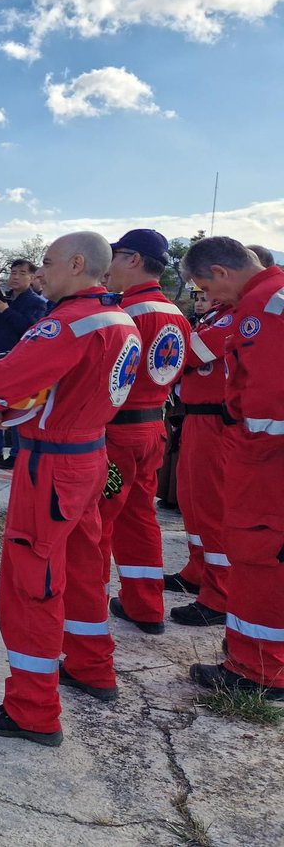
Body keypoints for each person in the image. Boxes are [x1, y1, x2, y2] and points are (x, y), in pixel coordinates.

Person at [0, 231, 142, 746]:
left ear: (76, 263)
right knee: (88, 565)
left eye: (45, 263)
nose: (40, 272)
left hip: (52, 463)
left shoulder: (68, 324)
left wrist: (2, 399)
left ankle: (32, 709)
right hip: (92, 456)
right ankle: (92, 666)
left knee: (32, 580)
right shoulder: (121, 317)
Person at [181, 237, 284, 700]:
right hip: (256, 451)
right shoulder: (269, 297)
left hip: (264, 460)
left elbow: (265, 403)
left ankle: (259, 669)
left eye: (205, 285)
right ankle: (252, 652)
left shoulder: (263, 308)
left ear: (222, 272)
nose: (208, 297)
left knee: (258, 551)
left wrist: (243, 448)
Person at [102, 229, 188, 634]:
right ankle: (146, 605)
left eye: (115, 256)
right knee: (140, 517)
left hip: (115, 436)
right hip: (153, 429)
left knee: (97, 521)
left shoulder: (125, 312)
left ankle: (86, 605)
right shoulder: (175, 313)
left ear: (133, 259)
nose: (109, 265)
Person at [166, 287, 231, 627]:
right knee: (191, 502)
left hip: (215, 421)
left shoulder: (232, 318)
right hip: (195, 417)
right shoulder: (214, 317)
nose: (204, 291)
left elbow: (187, 354)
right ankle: (197, 571)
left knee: (211, 506)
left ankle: (220, 595)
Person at [0, 260, 48, 468]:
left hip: (18, 362)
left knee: (16, 406)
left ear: (32, 278)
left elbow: (30, 330)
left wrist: (6, 310)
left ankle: (17, 453)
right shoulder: (5, 298)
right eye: (13, 272)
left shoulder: (36, 303)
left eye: (21, 273)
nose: (15, 276)